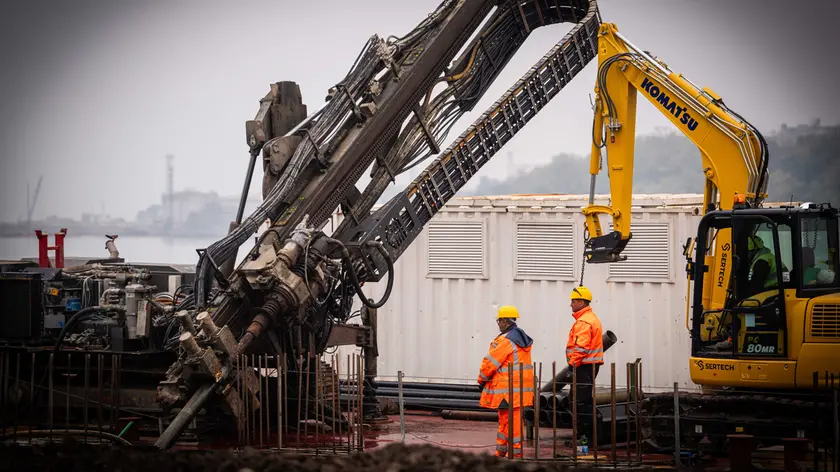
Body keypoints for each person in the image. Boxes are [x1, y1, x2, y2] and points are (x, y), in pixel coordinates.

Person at [477, 305, 535, 458]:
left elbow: (489, 363)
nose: (498, 324)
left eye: (499, 320)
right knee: (511, 421)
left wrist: (481, 380)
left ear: (504, 321)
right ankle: (503, 451)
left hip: (507, 392)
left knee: (508, 422)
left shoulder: (505, 341)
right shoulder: (521, 339)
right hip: (519, 391)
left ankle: (513, 454)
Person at [566, 286, 604, 443]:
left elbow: (581, 347)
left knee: (581, 402)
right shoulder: (591, 318)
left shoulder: (584, 322)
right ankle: (585, 435)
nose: (571, 304)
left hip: (583, 366)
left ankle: (585, 437)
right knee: (580, 400)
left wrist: (572, 365)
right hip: (588, 366)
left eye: (573, 301)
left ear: (581, 302)